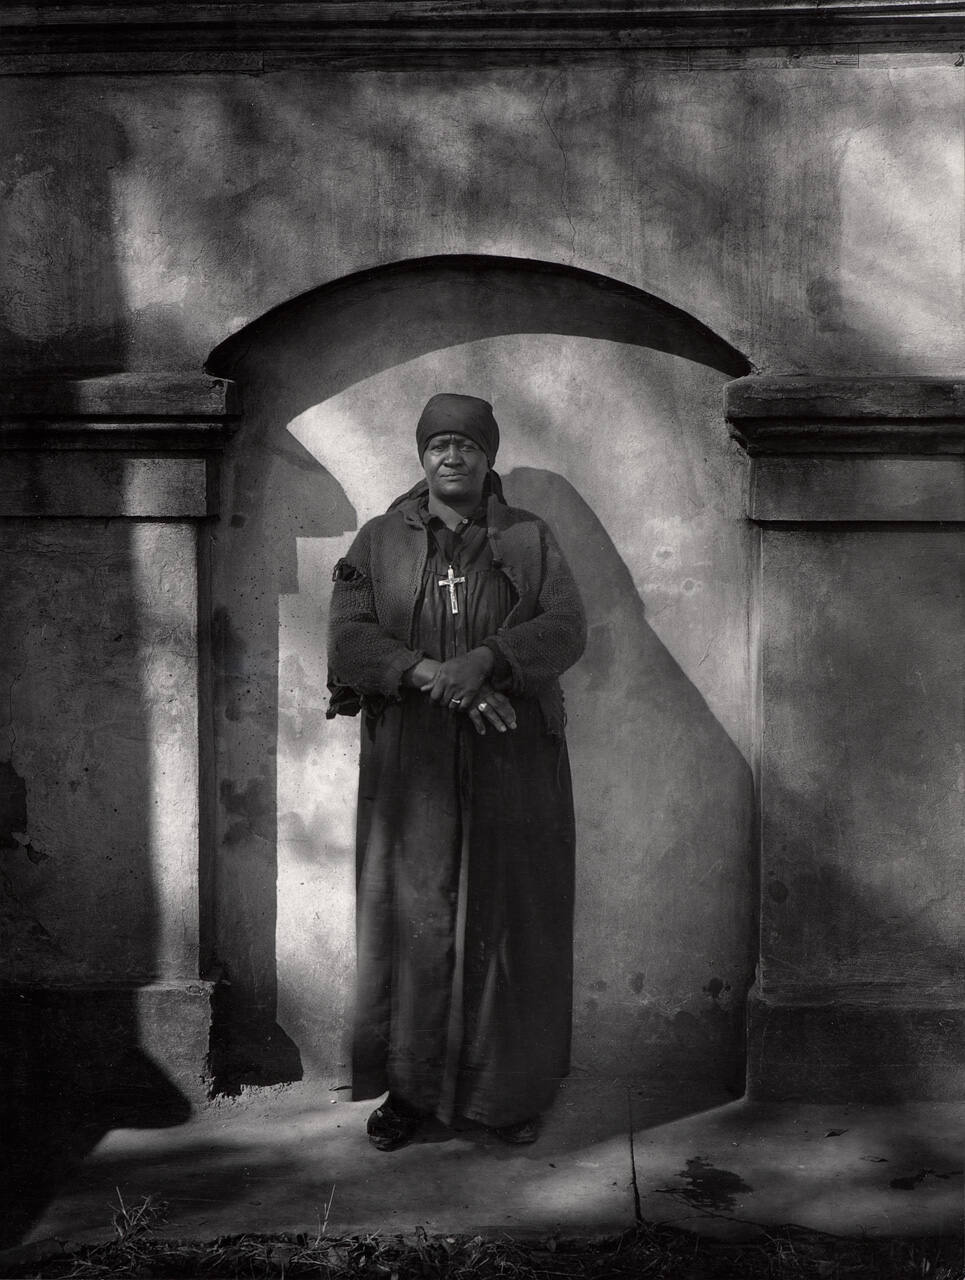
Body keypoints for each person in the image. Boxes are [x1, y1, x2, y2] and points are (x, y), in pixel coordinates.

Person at [326, 393, 585, 1150]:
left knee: (511, 917)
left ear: (487, 456)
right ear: (421, 455)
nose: (451, 455)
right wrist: (433, 674)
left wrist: (488, 659)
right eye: (438, 443)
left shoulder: (529, 537)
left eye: (466, 445)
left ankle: (508, 1095)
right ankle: (408, 1093)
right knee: (414, 915)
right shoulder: (378, 540)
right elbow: (348, 639)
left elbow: (566, 626)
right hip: (411, 760)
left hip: (513, 755)